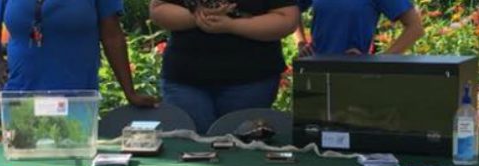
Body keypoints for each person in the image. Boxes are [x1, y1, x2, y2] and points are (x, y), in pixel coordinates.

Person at [149, 0, 299, 133]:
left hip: (251, 80)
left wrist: (232, 25)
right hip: (185, 80)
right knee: (192, 149)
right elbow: (158, 9)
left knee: (243, 150)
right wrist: (200, 16)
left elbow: (287, 18)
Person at [0, 0, 156, 107]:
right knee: (22, 163)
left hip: (75, 101)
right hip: (20, 99)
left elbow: (112, 36)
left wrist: (130, 92)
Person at [294, 0, 425, 56]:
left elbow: (415, 27)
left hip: (353, 75)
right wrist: (301, 43)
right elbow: (292, 10)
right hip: (316, 70)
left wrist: (379, 63)